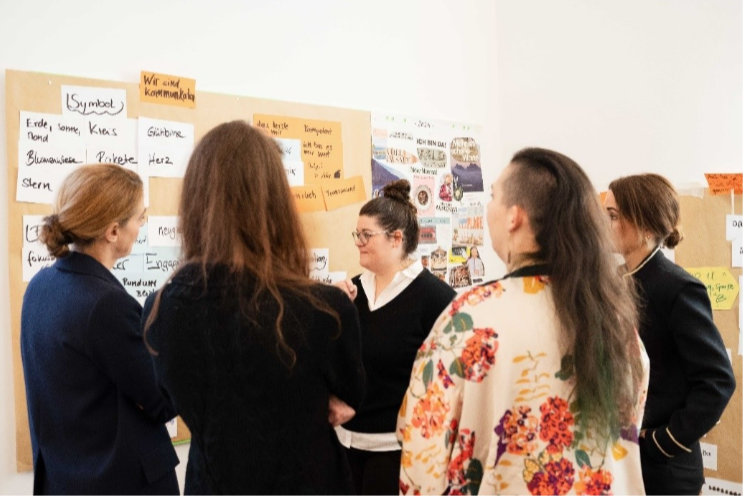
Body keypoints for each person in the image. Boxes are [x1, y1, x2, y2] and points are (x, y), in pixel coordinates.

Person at [398, 148, 650, 495]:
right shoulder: (615, 320)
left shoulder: (469, 320)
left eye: (493, 197)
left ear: (514, 217)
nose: (488, 208)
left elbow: (422, 454)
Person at [142, 121, 365, 494]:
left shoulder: (163, 308)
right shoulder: (326, 309)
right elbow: (349, 399)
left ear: (195, 202)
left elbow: (170, 395)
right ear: (277, 201)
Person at [21, 164, 179, 495]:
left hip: (65, 482)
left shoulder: (39, 286)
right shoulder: (105, 305)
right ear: (112, 231)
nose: (142, 225)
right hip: (120, 484)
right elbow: (163, 401)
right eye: (139, 217)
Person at [606, 174, 735, 495]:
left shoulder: (677, 287)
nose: (602, 224)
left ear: (646, 225)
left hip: (665, 471)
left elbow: (717, 382)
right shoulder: (616, 282)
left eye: (612, 216)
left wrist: (662, 442)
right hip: (622, 460)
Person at [334, 179, 456, 495]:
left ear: (396, 239)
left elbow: (449, 380)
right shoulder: (352, 291)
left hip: (395, 453)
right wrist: (332, 314)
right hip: (344, 446)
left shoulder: (436, 298)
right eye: (356, 234)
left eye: (366, 235)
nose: (358, 241)